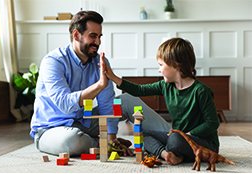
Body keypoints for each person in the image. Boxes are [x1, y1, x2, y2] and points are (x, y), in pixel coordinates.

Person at [30, 10, 172, 157]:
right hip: (51, 129)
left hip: (83, 122)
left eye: (99, 37)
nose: (98, 42)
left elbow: (106, 105)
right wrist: (99, 85)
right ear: (76, 35)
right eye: (93, 36)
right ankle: (100, 143)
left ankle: (175, 138)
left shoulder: (99, 62)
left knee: (129, 100)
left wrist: (111, 136)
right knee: (73, 140)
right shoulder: (53, 61)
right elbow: (65, 105)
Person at [101, 37, 220, 165]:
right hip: (178, 137)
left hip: (204, 144)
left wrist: (186, 135)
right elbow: (138, 90)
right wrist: (111, 76)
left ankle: (175, 152)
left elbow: (212, 123)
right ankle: (167, 154)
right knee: (141, 134)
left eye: (161, 65)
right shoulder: (165, 86)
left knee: (175, 139)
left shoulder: (201, 91)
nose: (159, 69)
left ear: (176, 64)